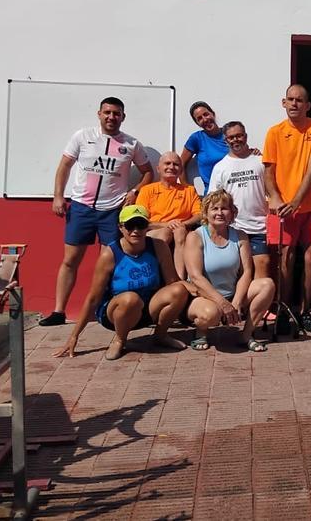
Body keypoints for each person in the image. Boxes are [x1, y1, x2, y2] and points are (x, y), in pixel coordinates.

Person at [41, 97, 153, 327]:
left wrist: (134, 191)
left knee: (108, 263)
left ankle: (104, 309)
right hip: (81, 207)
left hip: (111, 210)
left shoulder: (131, 144)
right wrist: (58, 196)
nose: (111, 117)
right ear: (99, 114)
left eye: (116, 113)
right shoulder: (82, 136)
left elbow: (148, 172)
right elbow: (64, 166)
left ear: (123, 116)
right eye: (107, 112)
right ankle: (59, 311)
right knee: (70, 260)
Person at [53, 205, 190, 360]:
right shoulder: (110, 254)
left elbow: (172, 281)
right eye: (130, 225)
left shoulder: (158, 246)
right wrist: (74, 336)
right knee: (130, 299)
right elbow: (93, 298)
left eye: (141, 225)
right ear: (121, 228)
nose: (135, 231)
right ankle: (119, 340)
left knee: (178, 289)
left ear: (147, 227)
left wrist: (199, 292)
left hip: (147, 307)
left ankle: (161, 335)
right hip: (116, 312)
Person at [263, 84, 311, 333]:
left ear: (307, 105)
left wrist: (296, 202)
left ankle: (305, 311)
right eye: (290, 99)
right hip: (282, 208)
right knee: (285, 259)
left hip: (308, 206)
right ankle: (283, 310)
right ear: (283, 103)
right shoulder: (274, 132)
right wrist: (277, 198)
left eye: (299, 100)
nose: (294, 104)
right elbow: (268, 172)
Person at [184, 190, 276, 352]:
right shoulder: (195, 236)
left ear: (232, 213)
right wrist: (222, 304)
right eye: (214, 208)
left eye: (224, 208)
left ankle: (246, 335)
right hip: (203, 296)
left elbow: (247, 272)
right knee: (210, 315)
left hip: (232, 294)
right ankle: (201, 331)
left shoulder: (240, 236)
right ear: (205, 213)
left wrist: (237, 302)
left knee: (267, 285)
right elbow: (195, 277)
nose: (219, 213)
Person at [208, 121, 271, 280]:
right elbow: (213, 200)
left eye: (239, 135)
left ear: (246, 136)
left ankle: (259, 297)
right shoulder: (220, 167)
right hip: (233, 228)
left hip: (259, 227)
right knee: (240, 269)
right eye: (231, 137)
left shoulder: (261, 161)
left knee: (263, 263)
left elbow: (272, 191)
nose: (235, 140)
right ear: (226, 140)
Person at [137, 151, 202, 278]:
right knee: (166, 233)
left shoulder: (189, 190)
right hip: (155, 231)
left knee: (180, 231)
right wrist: (166, 225)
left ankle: (180, 278)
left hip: (181, 231)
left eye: (176, 164)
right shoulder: (147, 190)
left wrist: (182, 224)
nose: (171, 167)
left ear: (180, 170)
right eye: (167, 163)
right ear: (158, 168)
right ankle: (154, 276)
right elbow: (141, 220)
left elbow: (199, 214)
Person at [180, 101, 228, 191]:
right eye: (199, 118)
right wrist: (186, 189)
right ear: (197, 123)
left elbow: (242, 154)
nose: (205, 119)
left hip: (235, 191)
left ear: (213, 114)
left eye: (206, 114)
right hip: (213, 194)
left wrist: (253, 152)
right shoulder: (197, 138)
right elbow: (180, 164)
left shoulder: (229, 134)